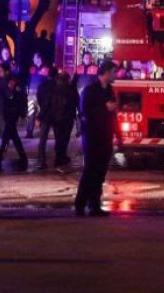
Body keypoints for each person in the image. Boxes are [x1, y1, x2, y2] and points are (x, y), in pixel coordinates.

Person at [74, 61, 117, 217]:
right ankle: (80, 204)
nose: (115, 75)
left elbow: (113, 115)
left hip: (106, 136)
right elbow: (85, 112)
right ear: (106, 73)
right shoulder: (90, 90)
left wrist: (117, 135)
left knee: (100, 173)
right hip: (92, 136)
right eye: (113, 72)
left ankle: (94, 205)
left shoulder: (109, 90)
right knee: (90, 171)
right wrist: (104, 108)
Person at [0, 67, 28, 172]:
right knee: (12, 136)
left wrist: (22, 112)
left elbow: (19, 98)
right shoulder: (4, 82)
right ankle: (22, 157)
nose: (0, 73)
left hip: (12, 113)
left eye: (1, 71)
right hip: (7, 112)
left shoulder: (13, 83)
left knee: (8, 135)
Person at [50, 72, 79, 172]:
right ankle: (59, 160)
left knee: (59, 139)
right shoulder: (71, 89)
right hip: (67, 118)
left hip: (56, 118)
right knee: (64, 139)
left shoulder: (54, 89)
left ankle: (60, 158)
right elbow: (77, 102)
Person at [35, 67, 58, 169]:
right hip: (56, 114)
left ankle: (41, 160)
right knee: (58, 138)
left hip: (45, 115)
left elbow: (39, 98)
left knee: (43, 139)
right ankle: (58, 159)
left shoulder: (42, 85)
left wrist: (40, 115)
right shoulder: (58, 86)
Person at [25, 53, 48, 138]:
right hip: (31, 95)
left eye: (34, 58)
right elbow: (28, 81)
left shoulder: (45, 69)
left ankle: (43, 133)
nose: (33, 60)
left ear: (39, 59)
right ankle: (29, 132)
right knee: (30, 113)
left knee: (42, 114)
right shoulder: (32, 69)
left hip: (42, 96)